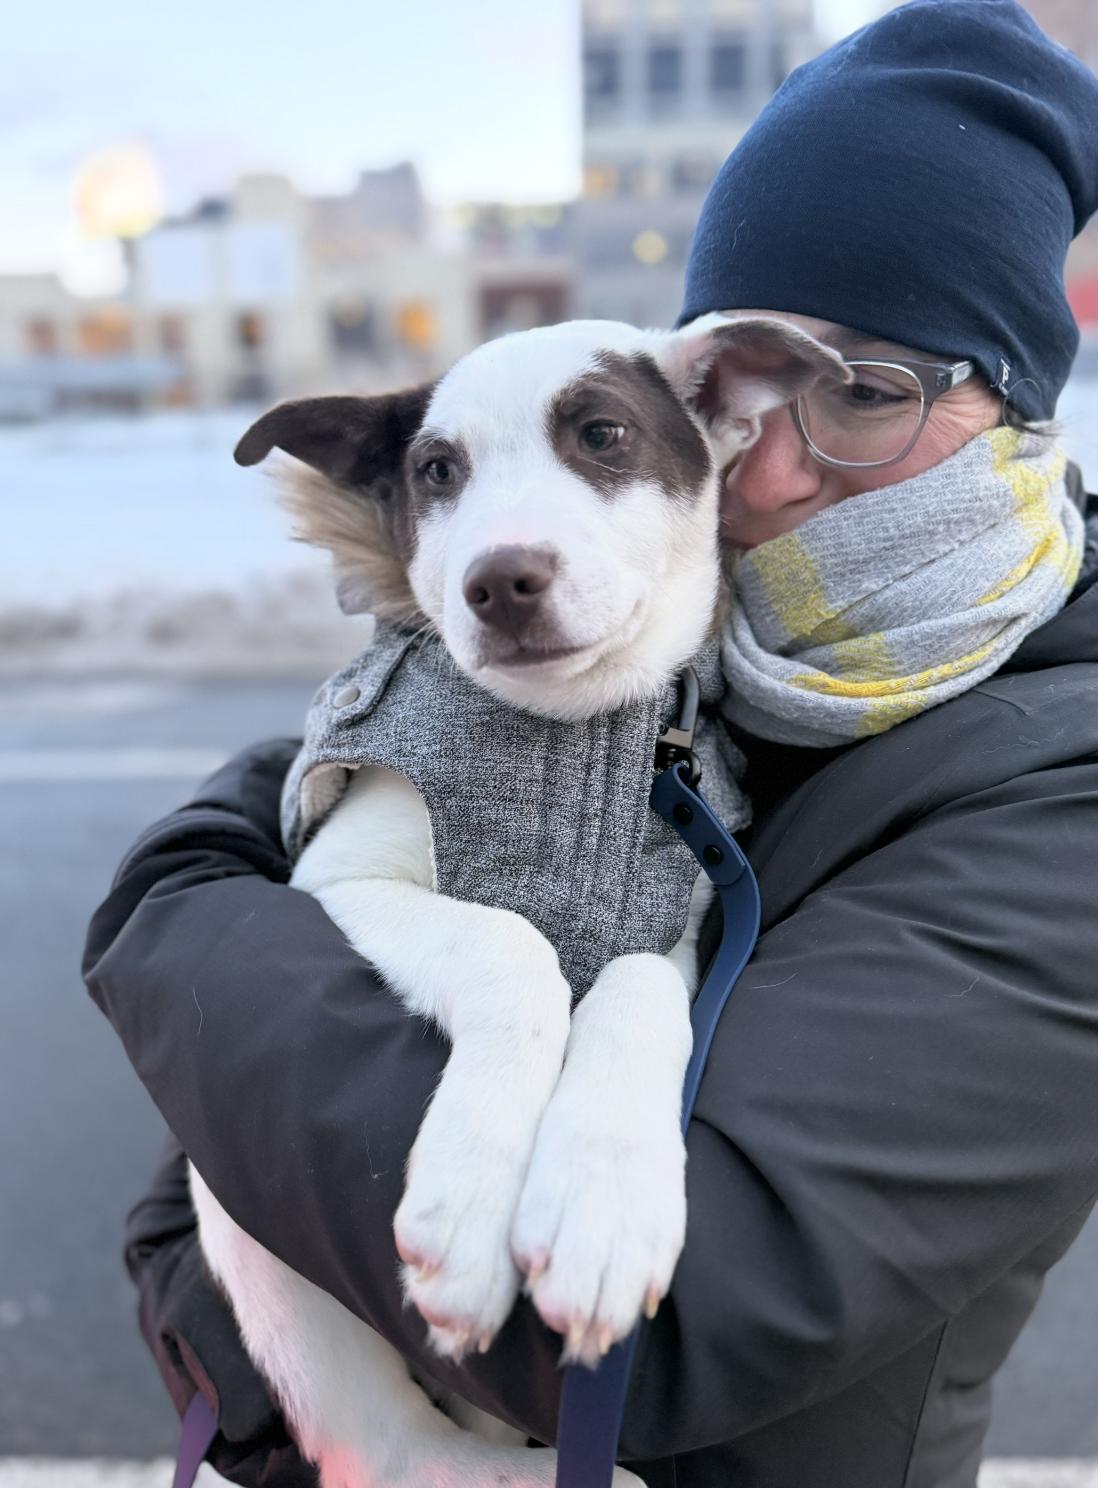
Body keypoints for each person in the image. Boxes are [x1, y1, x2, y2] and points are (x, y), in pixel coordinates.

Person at [83, 2, 1098, 1485]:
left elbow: (679, 1317)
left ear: (1009, 404)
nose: (778, 456)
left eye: (869, 393)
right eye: (763, 387)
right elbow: (322, 814)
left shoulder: (1057, 783)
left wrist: (175, 927)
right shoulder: (690, 652)